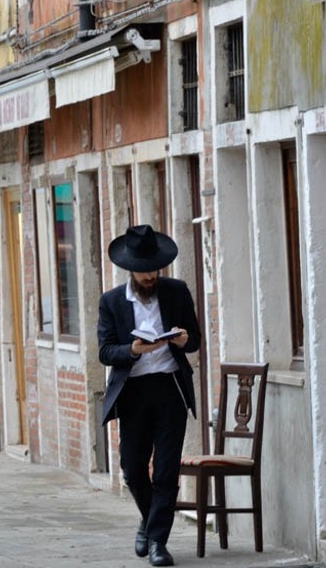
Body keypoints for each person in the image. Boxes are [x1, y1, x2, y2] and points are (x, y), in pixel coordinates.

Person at [97, 224, 201, 567]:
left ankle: (158, 541)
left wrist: (185, 341)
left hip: (169, 388)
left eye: (154, 269)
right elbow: (106, 352)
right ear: (131, 270)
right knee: (132, 469)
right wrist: (134, 349)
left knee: (167, 471)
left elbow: (195, 338)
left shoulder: (176, 292)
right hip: (134, 393)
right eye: (144, 271)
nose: (150, 276)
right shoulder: (112, 302)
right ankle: (148, 520)